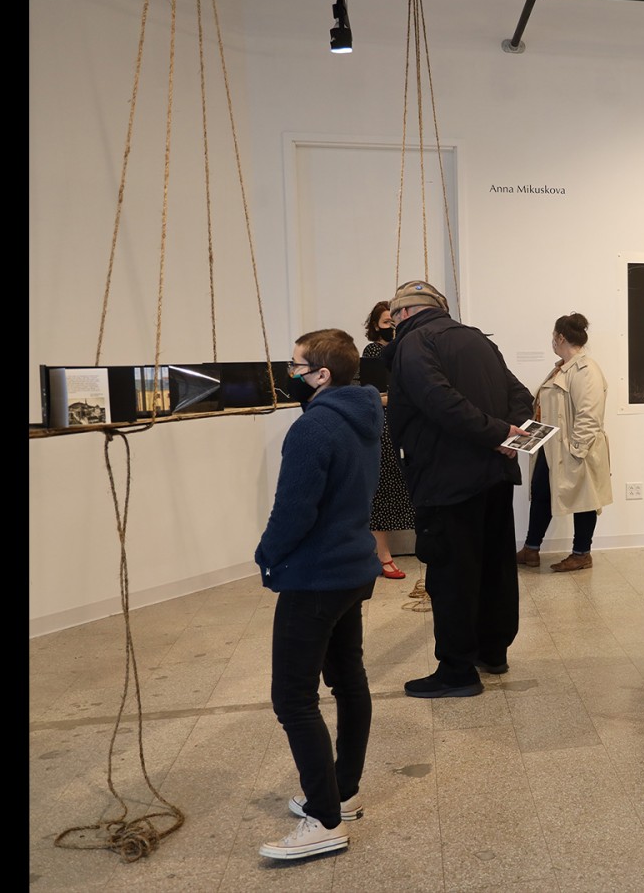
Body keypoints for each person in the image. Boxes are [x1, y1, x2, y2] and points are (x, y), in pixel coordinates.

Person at [254, 328, 382, 860]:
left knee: (293, 696)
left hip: (315, 576)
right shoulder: (365, 413)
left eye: (296, 366)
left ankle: (325, 820)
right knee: (348, 680)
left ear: (321, 375)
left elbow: (294, 511)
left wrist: (267, 554)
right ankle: (341, 793)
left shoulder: (312, 428)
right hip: (352, 567)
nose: (290, 375)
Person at [384, 280, 535, 698]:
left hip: (447, 480)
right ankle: (493, 652)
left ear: (403, 315)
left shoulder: (415, 344)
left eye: (393, 318)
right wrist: (510, 435)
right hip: (493, 477)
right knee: (493, 569)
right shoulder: (478, 342)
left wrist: (497, 434)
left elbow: (440, 401)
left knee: (451, 576)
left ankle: (456, 673)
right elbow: (520, 394)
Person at [515, 313, 613, 572]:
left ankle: (582, 553)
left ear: (560, 337)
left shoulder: (585, 370)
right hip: (551, 447)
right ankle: (531, 549)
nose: (552, 342)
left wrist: (576, 451)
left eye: (553, 337)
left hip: (576, 449)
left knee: (585, 499)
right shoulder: (562, 367)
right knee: (541, 493)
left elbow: (589, 415)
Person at [361, 301, 416, 581]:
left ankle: (383, 554)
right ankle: (382, 555)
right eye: (385, 323)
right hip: (383, 429)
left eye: (393, 322)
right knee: (382, 491)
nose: (391, 327)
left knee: (399, 487)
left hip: (401, 426)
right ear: (375, 326)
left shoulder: (406, 350)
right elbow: (373, 394)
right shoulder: (374, 352)